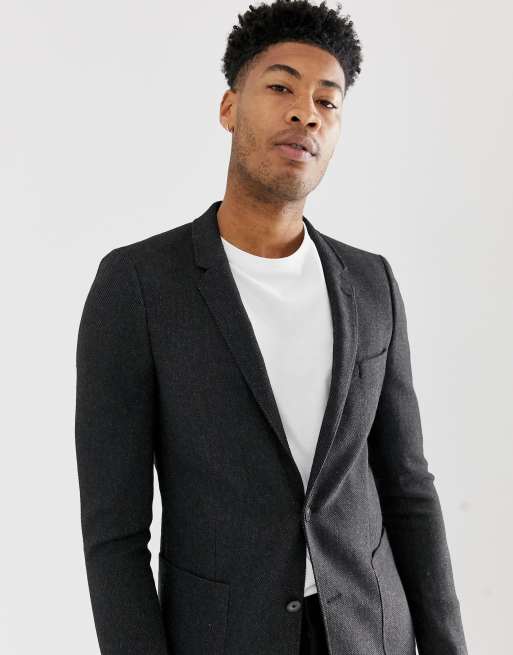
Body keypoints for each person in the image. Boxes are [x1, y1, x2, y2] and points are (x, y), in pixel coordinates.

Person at [74, 1, 469, 654]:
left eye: (327, 101)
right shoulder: (139, 286)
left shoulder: (371, 283)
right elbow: (114, 535)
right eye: (281, 87)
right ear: (230, 108)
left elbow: (408, 490)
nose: (305, 113)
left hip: (372, 635)